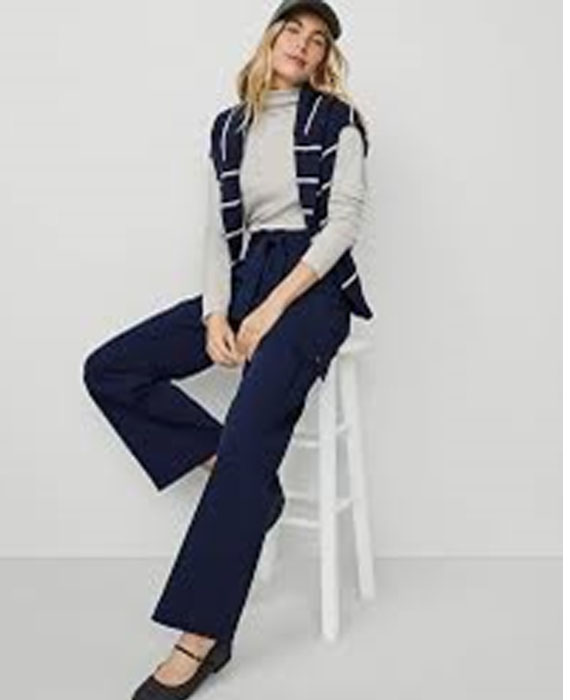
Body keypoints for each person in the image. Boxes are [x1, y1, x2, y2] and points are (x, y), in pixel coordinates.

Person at [82, 1, 373, 698]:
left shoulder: (338, 122)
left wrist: (272, 310)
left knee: (251, 435)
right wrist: (218, 311)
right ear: (271, 38)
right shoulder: (229, 127)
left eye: (318, 39)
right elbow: (219, 233)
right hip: (246, 279)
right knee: (112, 368)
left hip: (312, 289)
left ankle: (202, 637)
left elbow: (342, 226)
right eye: (293, 29)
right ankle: (241, 474)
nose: (303, 43)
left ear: (325, 58)